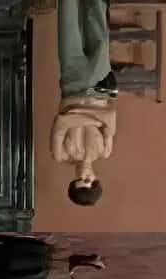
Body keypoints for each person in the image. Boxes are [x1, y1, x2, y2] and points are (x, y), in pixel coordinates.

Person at [51, 0, 117, 207]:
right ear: (95, 179)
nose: (83, 175)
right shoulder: (104, 151)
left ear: (73, 181)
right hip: (99, 85)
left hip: (72, 82)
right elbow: (110, 115)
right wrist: (76, 114)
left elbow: (60, 122)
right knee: (96, 19)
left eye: (79, 181)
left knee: (67, 17)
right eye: (88, 180)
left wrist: (94, 119)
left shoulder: (62, 154)